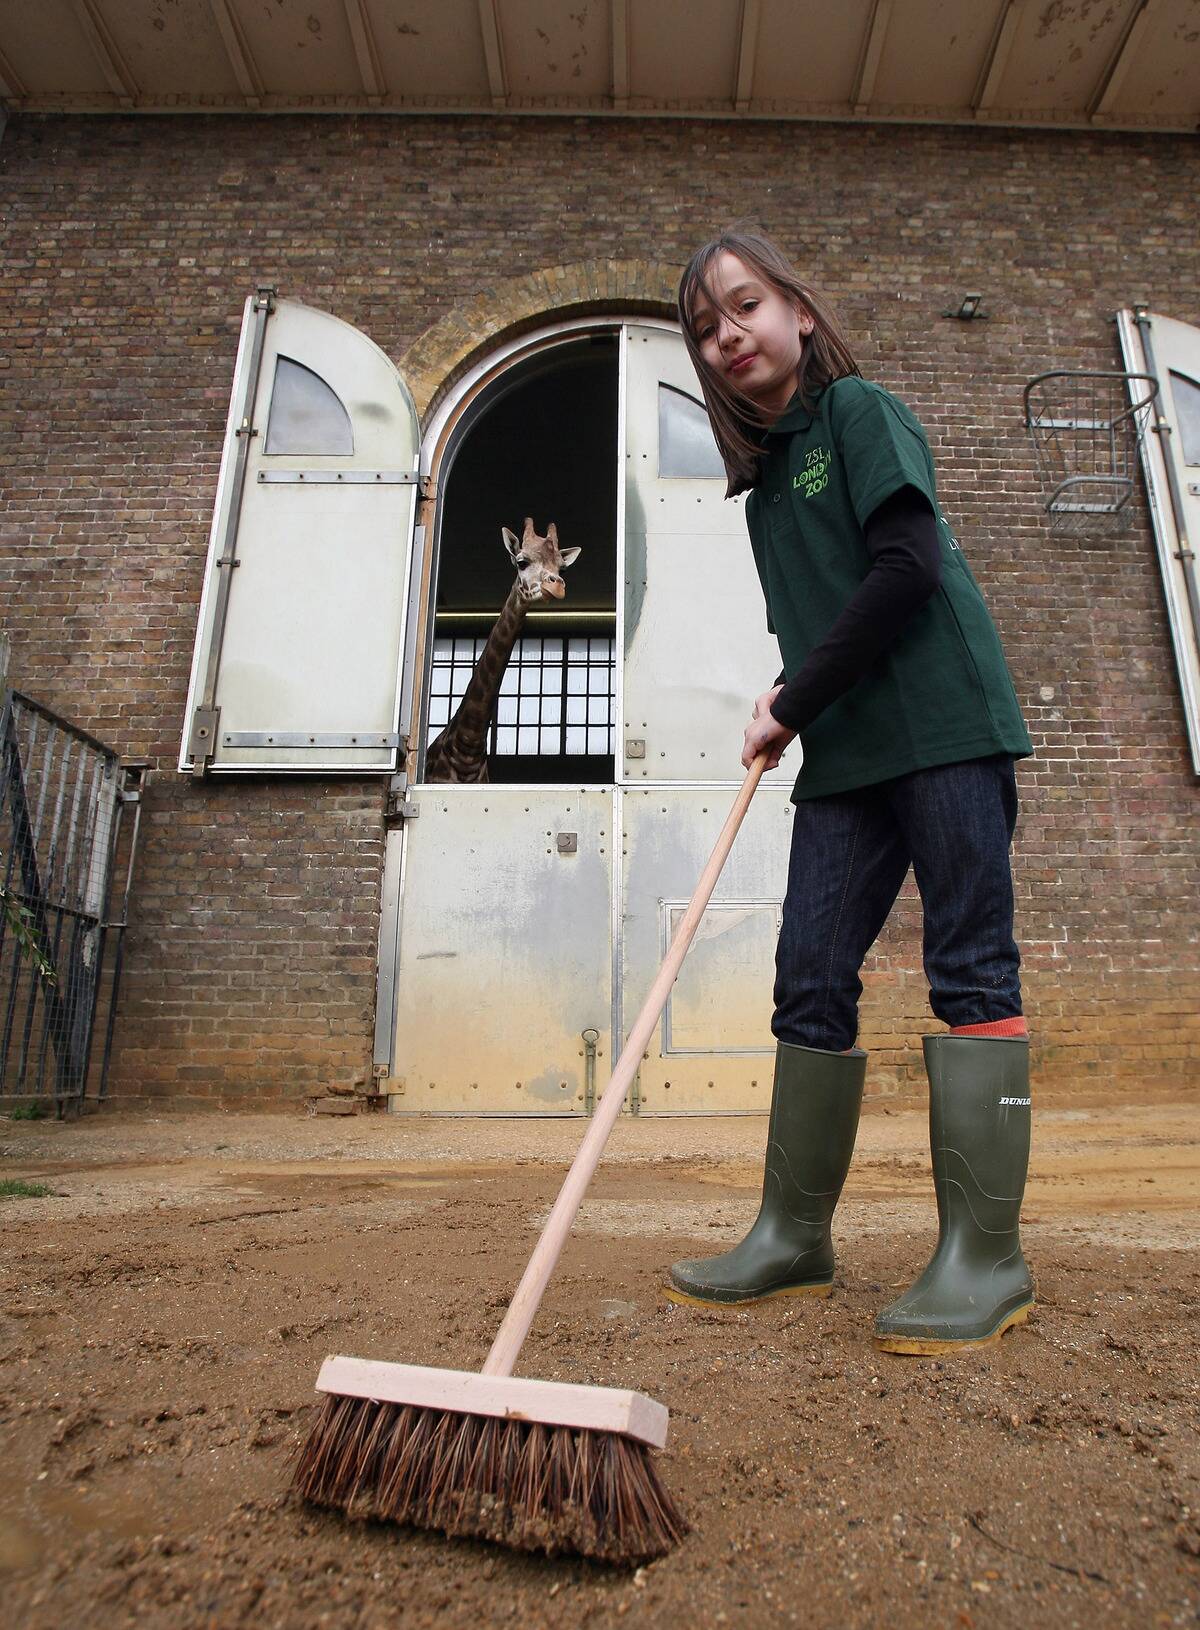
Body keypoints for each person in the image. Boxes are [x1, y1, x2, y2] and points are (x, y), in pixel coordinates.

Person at [665, 228, 1036, 1355]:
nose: (730, 335)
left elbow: (907, 568)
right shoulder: (763, 493)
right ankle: (792, 1236)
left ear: (800, 312)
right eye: (707, 328)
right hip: (849, 753)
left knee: (969, 965)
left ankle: (986, 1258)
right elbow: (821, 628)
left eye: (746, 306)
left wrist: (793, 697)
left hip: (944, 726)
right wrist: (793, 695)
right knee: (810, 974)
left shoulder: (859, 414)